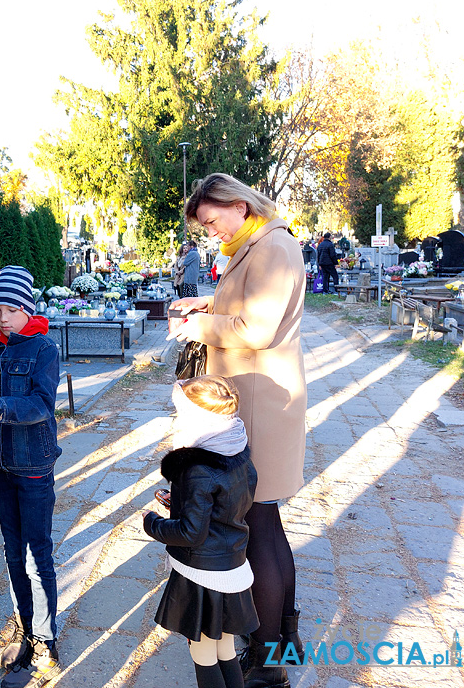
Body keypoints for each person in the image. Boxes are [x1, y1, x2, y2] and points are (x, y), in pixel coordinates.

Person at [168, 173, 307, 688]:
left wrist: (196, 326)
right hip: (258, 394)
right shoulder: (257, 244)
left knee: (260, 530)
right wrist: (211, 304)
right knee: (267, 526)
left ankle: (268, 665)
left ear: (238, 204)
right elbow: (245, 309)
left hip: (262, 401)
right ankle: (279, 641)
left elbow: (258, 329)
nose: (211, 232)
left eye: (211, 220)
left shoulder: (271, 245)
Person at [0, 265, 62, 688]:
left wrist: (5, 407)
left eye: (10, 309)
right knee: (12, 551)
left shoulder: (44, 348)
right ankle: (24, 627)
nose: (2, 318)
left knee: (36, 554)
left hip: (34, 465)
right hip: (1, 466)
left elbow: (44, 402)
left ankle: (46, 638)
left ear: (27, 308)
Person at [144, 376, 258, 688]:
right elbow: (225, 504)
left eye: (182, 412)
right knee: (224, 647)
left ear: (198, 417)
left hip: (201, 572)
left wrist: (153, 523)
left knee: (204, 651)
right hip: (231, 563)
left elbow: (191, 533)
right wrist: (179, 503)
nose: (178, 419)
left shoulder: (197, 468)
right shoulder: (236, 448)